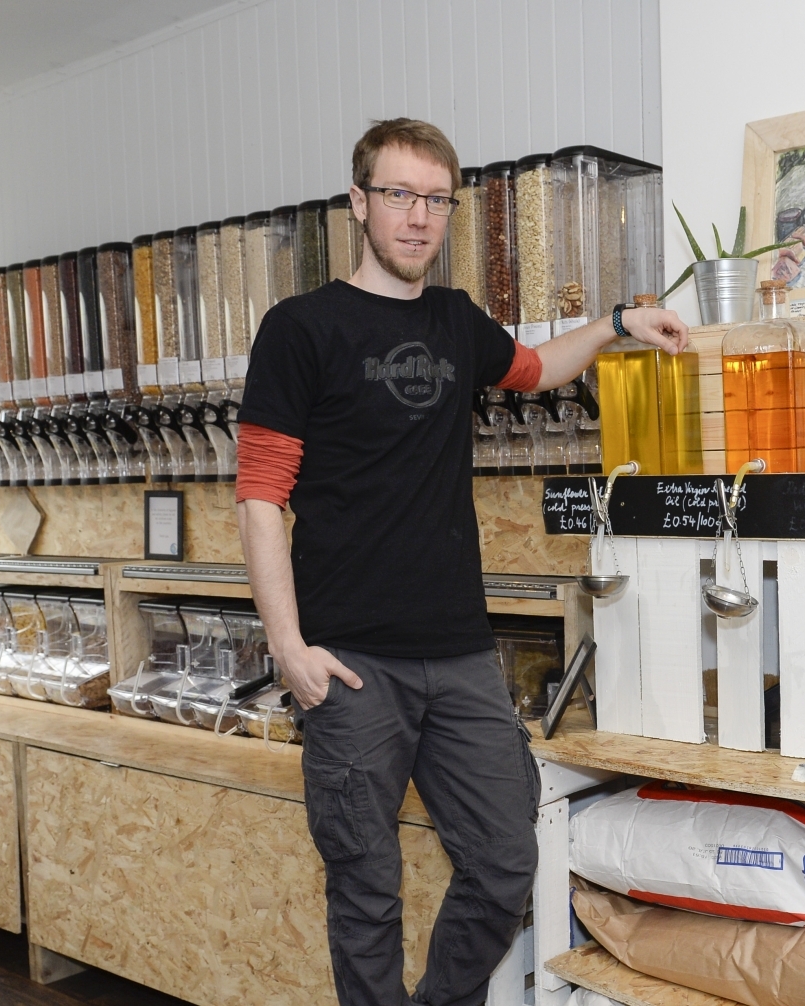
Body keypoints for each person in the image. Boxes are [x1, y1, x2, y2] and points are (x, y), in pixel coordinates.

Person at [234, 118, 688, 1006]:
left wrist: (619, 321)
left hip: (460, 657)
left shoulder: (453, 321)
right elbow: (260, 496)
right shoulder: (300, 328)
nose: (418, 218)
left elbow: (535, 367)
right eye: (399, 195)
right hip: (350, 664)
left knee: (505, 861)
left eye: (436, 200)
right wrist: (288, 649)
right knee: (365, 891)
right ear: (359, 203)